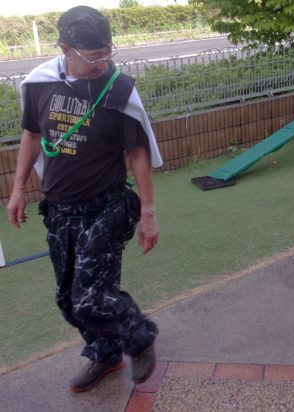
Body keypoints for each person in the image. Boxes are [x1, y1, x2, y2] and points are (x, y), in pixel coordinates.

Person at [6, 6, 163, 392]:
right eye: (93, 56)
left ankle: (139, 337)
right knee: (68, 299)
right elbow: (31, 135)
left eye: (107, 52)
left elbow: (137, 153)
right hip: (59, 210)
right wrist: (18, 188)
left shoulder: (119, 90)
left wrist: (148, 212)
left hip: (106, 208)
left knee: (90, 298)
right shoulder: (40, 84)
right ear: (65, 49)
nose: (102, 62)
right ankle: (105, 353)